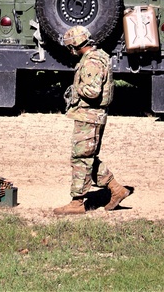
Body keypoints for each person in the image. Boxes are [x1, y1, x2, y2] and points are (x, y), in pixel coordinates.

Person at [53, 25, 132, 215]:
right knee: (87, 157)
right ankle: (116, 188)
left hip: (89, 116)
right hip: (90, 116)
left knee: (81, 158)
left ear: (75, 46)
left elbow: (92, 91)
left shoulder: (92, 62)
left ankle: (77, 202)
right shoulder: (99, 56)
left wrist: (76, 88)